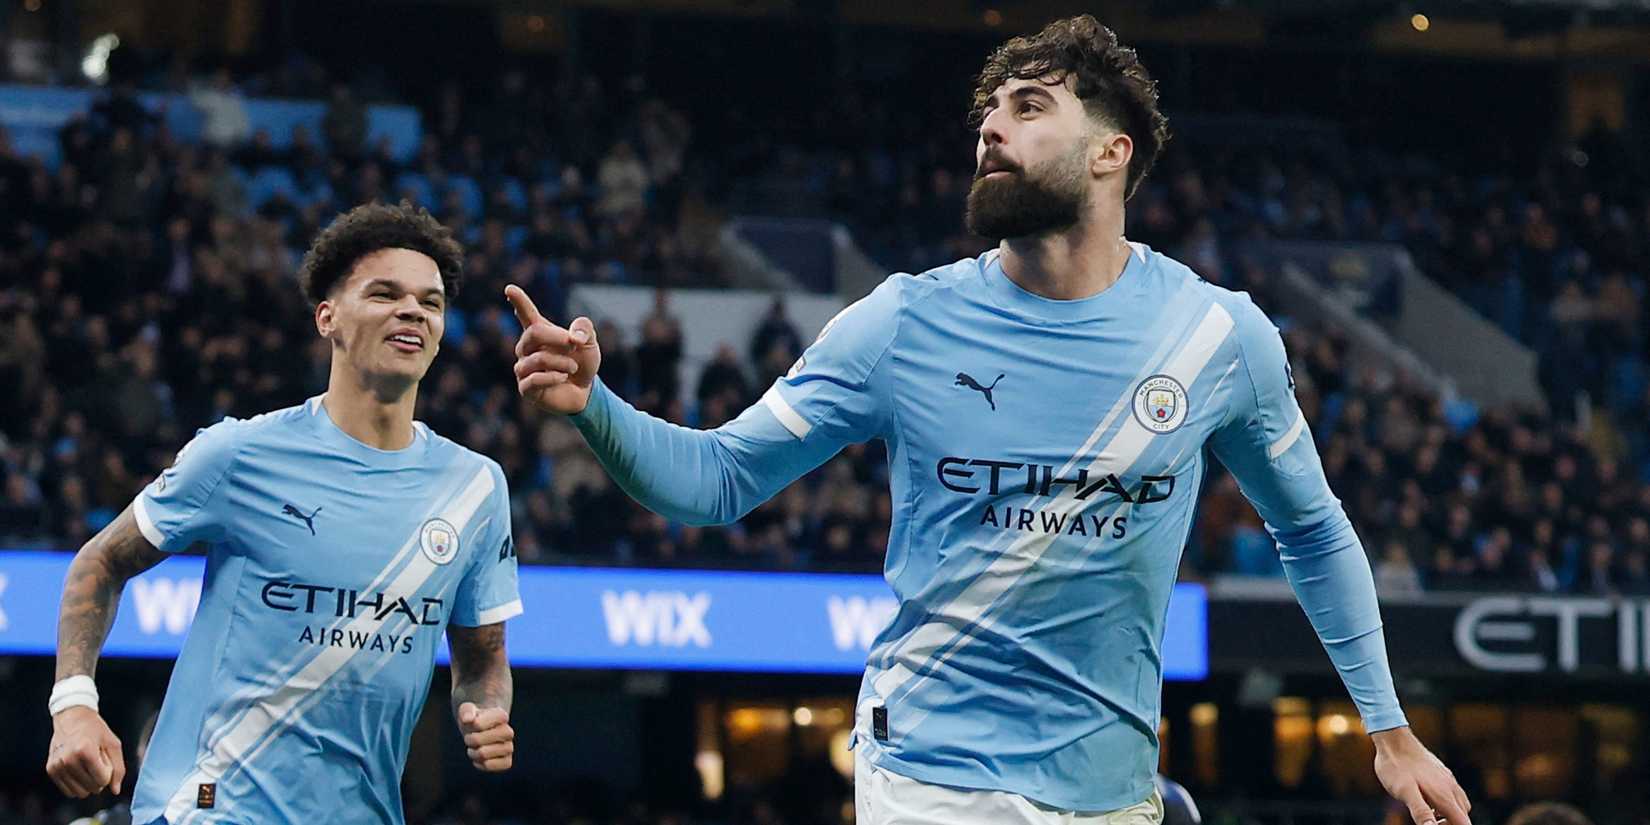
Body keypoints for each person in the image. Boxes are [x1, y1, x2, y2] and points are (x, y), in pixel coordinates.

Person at [506, 15, 1469, 825]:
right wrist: (595, 406)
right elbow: (716, 481)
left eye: (1028, 107)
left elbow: (1310, 527)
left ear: (1110, 151)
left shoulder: (1216, 338)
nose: (990, 132)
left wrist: (1388, 729)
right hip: (930, 771)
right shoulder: (903, 320)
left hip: (1110, 787)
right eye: (986, 115)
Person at [46, 202, 523, 824]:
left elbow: (483, 661)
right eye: (385, 294)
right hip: (210, 807)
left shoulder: (476, 490)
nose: (413, 311)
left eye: (430, 303)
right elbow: (100, 562)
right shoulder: (239, 453)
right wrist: (74, 704)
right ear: (329, 317)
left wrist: (487, 712)